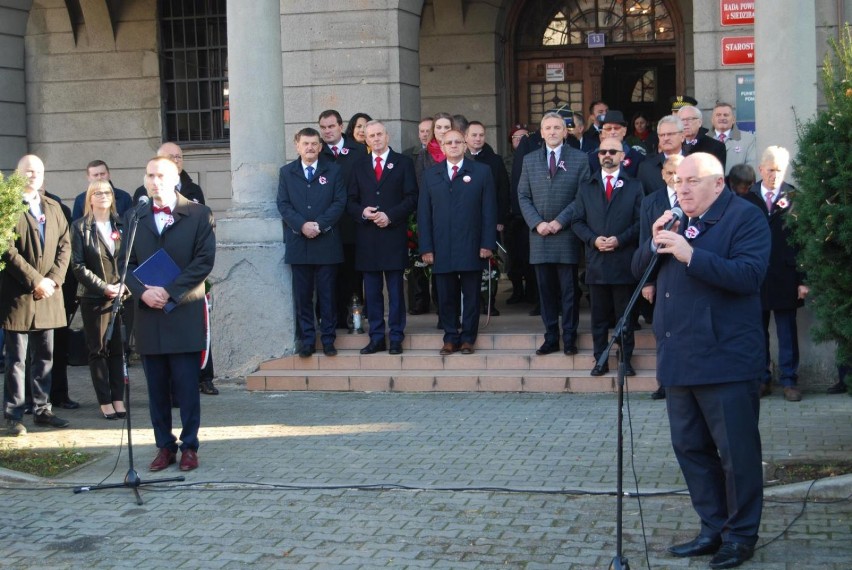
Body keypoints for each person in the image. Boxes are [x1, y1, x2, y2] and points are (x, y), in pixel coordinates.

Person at [632, 152, 769, 569]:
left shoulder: (745, 218)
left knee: (736, 453)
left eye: (692, 181)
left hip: (726, 360)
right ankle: (712, 527)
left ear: (718, 183)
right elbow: (639, 273)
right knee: (690, 447)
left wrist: (691, 254)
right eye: (678, 181)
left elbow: (748, 276)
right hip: (679, 356)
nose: (683, 188)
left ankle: (740, 535)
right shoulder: (672, 220)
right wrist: (651, 241)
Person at [124, 156, 215, 472]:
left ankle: (190, 445)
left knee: (187, 388)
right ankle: (165, 446)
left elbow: (203, 262)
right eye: (149, 175)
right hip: (149, 316)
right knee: (156, 390)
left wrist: (170, 291)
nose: (153, 181)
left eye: (160, 175)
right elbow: (127, 266)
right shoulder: (135, 216)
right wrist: (143, 292)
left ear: (175, 177)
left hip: (183, 312)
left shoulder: (198, 214)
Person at [2, 155, 72, 436]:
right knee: (16, 359)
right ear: (18, 174)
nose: (33, 175)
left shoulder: (54, 206)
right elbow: (7, 249)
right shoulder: (6, 207)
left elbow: (66, 246)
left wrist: (53, 281)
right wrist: (35, 280)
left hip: (49, 295)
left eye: (38, 171)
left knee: (45, 356)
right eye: (28, 171)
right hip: (18, 295)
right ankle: (13, 415)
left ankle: (43, 410)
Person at [418, 128, 497, 355]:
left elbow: (489, 211)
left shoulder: (482, 172)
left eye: (458, 142)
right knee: (446, 296)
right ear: (441, 147)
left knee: (471, 296)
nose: (453, 145)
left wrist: (487, 244)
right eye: (448, 142)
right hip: (441, 246)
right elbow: (424, 214)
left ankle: (468, 338)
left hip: (472, 244)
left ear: (465, 146)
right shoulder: (431, 175)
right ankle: (450, 337)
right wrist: (426, 247)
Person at [518, 111, 591, 356]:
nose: (552, 132)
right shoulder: (529, 160)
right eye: (547, 128)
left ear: (565, 131)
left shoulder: (580, 159)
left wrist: (560, 221)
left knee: (569, 292)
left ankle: (570, 338)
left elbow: (582, 196)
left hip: (566, 234)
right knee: (545, 291)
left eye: (557, 128)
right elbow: (523, 196)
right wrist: (537, 223)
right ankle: (551, 337)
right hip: (539, 236)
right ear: (541, 132)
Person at [741, 146, 808, 402]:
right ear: (760, 169)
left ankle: (790, 381)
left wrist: (803, 280)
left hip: (786, 277)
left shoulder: (795, 197)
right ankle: (762, 378)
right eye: (770, 170)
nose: (774, 175)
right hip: (755, 277)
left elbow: (803, 240)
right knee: (757, 331)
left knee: (787, 331)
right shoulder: (747, 197)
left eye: (779, 171)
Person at [571, 137, 643, 376]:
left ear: (622, 156)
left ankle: (625, 360)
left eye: (612, 151)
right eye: (602, 152)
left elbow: (640, 222)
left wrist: (619, 239)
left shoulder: (634, 186)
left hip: (623, 262)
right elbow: (577, 221)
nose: (607, 155)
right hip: (597, 263)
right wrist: (593, 240)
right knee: (599, 318)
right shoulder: (586, 186)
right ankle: (600, 359)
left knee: (625, 316)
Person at [347, 120, 418, 355]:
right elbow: (350, 200)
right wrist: (362, 212)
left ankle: (396, 336)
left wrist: (390, 216)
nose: (376, 139)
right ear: (365, 140)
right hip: (367, 238)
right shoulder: (358, 166)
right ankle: (376, 336)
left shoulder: (403, 163)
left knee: (396, 291)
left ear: (387, 137)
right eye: (371, 136)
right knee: (373, 292)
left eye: (379, 134)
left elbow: (411, 197)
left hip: (393, 235)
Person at [278, 127, 347, 358]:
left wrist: (319, 224)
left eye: (314, 144)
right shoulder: (287, 172)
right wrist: (302, 225)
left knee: (328, 295)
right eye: (305, 144)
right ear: (297, 145)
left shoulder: (334, 171)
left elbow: (339, 202)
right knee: (303, 296)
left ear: (320, 147)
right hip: (299, 244)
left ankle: (328, 339)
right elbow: (283, 204)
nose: (310, 148)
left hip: (326, 242)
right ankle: (307, 339)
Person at [71, 180, 128, 419]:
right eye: (98, 192)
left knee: (118, 349)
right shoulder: (80, 227)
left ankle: (118, 398)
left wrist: (124, 285)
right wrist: (104, 287)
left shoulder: (122, 224)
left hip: (121, 295)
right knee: (98, 349)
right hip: (94, 297)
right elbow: (77, 266)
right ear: (90, 198)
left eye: (107, 192)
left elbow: (129, 258)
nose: (103, 196)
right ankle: (104, 400)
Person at [637, 154, 683, 399]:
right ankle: (664, 382)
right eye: (669, 173)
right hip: (660, 275)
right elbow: (645, 241)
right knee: (661, 331)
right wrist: (649, 281)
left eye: (678, 172)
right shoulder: (650, 201)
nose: (674, 178)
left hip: (686, 274)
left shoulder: (691, 200)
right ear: (662, 174)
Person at [318, 109, 368, 330]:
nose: (327, 131)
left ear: (340, 126)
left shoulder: (358, 151)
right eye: (323, 127)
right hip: (326, 225)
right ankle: (330, 319)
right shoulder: (316, 151)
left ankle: (353, 317)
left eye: (331, 126)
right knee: (329, 275)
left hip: (352, 225)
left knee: (352, 275)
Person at [465, 120, 510, 316]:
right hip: (466, 221)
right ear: (465, 137)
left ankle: (489, 302)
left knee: (490, 265)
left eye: (481, 135)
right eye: (474, 135)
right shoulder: (459, 158)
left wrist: (500, 219)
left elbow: (502, 191)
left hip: (489, 220)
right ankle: (472, 303)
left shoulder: (494, 160)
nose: (478, 139)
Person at [587, 110, 644, 178]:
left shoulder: (638, 159)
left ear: (624, 131)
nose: (613, 132)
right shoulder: (591, 159)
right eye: (608, 128)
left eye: (616, 128)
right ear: (603, 133)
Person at [637, 115, 685, 195]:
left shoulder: (695, 163)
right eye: (662, 135)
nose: (666, 138)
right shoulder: (646, 168)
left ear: (682, 136)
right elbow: (642, 201)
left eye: (670, 134)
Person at [711, 102, 757, 175]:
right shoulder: (703, 139)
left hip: (737, 185)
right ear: (712, 120)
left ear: (733, 120)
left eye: (726, 115)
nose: (722, 118)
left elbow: (751, 168)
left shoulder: (748, 139)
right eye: (718, 115)